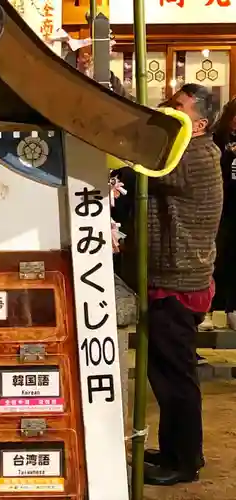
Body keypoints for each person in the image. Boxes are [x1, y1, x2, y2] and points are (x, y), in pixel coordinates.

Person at [142, 84, 223, 486]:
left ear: (201, 124)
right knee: (169, 375)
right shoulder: (194, 150)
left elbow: (139, 164)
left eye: (177, 108)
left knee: (175, 380)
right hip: (181, 277)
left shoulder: (189, 155)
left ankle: (184, 462)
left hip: (178, 282)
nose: (167, 111)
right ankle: (178, 450)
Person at [199, 98, 236, 331]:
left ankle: (231, 308)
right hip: (221, 209)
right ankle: (209, 310)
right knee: (217, 259)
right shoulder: (216, 141)